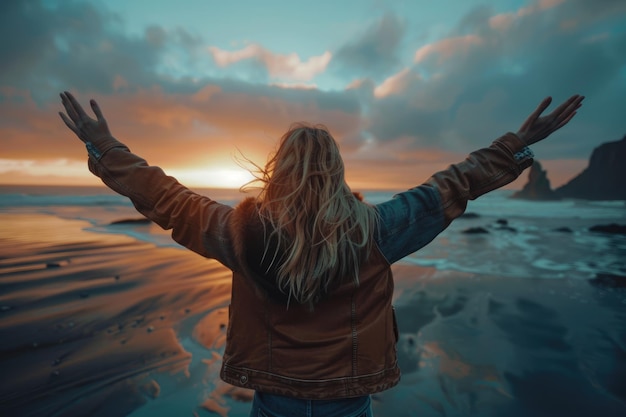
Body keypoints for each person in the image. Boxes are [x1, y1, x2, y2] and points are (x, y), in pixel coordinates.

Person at [59, 91, 583, 417]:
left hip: (273, 396)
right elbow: (451, 186)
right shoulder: (378, 230)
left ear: (276, 170)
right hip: (349, 397)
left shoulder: (236, 231)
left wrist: (106, 148)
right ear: (335, 171)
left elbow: (168, 198)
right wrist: (514, 145)